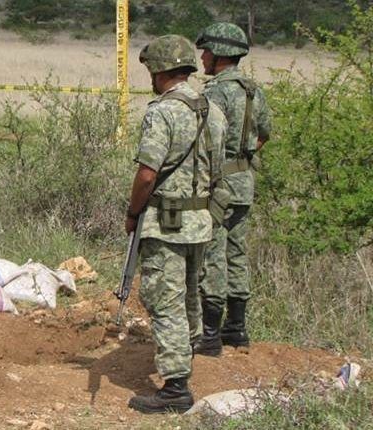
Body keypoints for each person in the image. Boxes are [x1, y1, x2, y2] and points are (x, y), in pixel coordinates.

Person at [126, 35, 226, 414]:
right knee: (188, 295)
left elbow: (147, 174)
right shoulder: (212, 111)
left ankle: (175, 387)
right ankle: (188, 354)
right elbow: (219, 171)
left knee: (164, 299)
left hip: (166, 222)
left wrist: (132, 213)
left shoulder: (163, 112)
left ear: (160, 70)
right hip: (200, 220)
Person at [193, 23, 272, 357]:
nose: (202, 57)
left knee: (213, 255)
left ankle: (210, 334)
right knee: (237, 253)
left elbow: (204, 140)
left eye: (207, 51)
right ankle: (236, 329)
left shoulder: (216, 92)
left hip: (220, 185)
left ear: (220, 55)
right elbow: (264, 134)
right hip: (244, 182)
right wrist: (243, 158)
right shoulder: (253, 90)